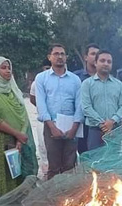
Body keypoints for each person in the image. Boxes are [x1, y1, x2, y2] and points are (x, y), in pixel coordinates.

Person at [0, 57, 37, 199]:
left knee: (19, 174)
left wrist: (20, 137)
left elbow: (23, 115)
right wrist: (17, 134)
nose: (8, 71)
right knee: (2, 176)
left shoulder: (13, 91)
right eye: (3, 68)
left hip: (18, 141)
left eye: (9, 68)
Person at [36, 44, 82, 180]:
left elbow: (79, 105)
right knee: (54, 166)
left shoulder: (75, 79)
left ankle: (69, 199)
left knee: (70, 166)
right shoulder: (41, 78)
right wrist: (52, 127)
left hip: (71, 127)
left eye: (62, 54)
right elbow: (41, 104)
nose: (60, 57)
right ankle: (53, 199)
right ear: (49, 57)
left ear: (66, 57)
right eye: (56, 54)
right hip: (52, 126)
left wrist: (74, 128)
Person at [79, 50, 122, 150]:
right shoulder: (87, 84)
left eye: (109, 62)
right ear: (96, 63)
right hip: (95, 130)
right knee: (95, 162)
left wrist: (112, 121)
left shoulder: (118, 84)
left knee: (113, 162)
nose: (106, 64)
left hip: (115, 130)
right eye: (102, 60)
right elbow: (86, 107)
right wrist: (102, 124)